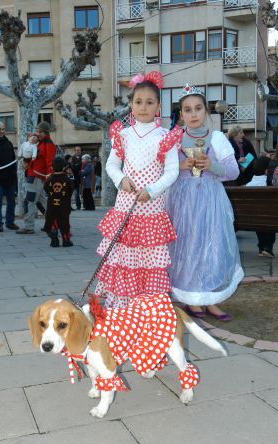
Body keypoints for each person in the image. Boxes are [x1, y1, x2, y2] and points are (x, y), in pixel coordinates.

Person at [95, 71, 182, 308]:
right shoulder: (122, 135)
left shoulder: (165, 136)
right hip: (126, 206)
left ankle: (147, 308)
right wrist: (121, 179)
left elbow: (172, 171)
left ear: (158, 106)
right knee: (124, 257)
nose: (144, 107)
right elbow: (111, 165)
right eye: (138, 102)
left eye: (149, 102)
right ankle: (122, 307)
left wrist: (153, 190)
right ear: (131, 105)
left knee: (149, 258)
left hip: (152, 209)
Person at [166, 84, 244, 321]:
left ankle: (212, 299)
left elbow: (234, 172)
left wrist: (213, 166)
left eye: (198, 108)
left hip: (210, 201)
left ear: (206, 111)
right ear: (181, 114)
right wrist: (178, 166)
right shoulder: (174, 139)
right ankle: (192, 300)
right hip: (183, 203)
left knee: (212, 246)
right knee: (188, 247)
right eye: (187, 109)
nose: (193, 114)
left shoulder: (217, 138)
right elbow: (164, 171)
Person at [16, 121, 56, 234]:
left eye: (39, 131)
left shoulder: (48, 144)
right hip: (34, 176)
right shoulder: (40, 143)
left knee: (29, 201)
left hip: (37, 177)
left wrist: (49, 177)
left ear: (44, 133)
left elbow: (50, 162)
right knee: (43, 203)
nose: (36, 133)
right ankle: (54, 224)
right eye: (37, 131)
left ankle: (29, 227)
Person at [246, 156, 276, 258]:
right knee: (270, 216)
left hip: (252, 220)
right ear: (267, 171)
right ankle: (267, 247)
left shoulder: (248, 185)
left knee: (259, 218)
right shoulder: (268, 184)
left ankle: (261, 247)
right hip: (270, 220)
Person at [43, 157, 74, 247]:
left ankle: (54, 241)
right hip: (64, 206)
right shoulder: (67, 179)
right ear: (64, 167)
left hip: (52, 205)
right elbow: (71, 189)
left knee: (53, 222)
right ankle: (66, 241)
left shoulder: (49, 179)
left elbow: (45, 188)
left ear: (52, 168)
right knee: (64, 223)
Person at [17, 133, 39, 216]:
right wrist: (19, 156)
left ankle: (29, 213)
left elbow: (34, 154)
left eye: (35, 138)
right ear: (29, 138)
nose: (34, 139)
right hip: (25, 160)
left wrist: (33, 158)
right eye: (32, 138)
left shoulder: (34, 147)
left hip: (31, 161)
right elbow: (21, 151)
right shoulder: (24, 144)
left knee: (31, 197)